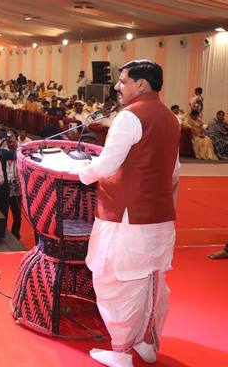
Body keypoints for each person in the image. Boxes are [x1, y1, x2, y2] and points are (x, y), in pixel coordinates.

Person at [78, 60, 180, 367]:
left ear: (142, 85)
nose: (117, 87)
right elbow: (174, 171)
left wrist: (81, 172)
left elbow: (107, 165)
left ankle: (121, 351)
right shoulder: (170, 118)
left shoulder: (130, 116)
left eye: (123, 81)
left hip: (126, 215)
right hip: (159, 215)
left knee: (115, 280)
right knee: (150, 281)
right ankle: (145, 341)